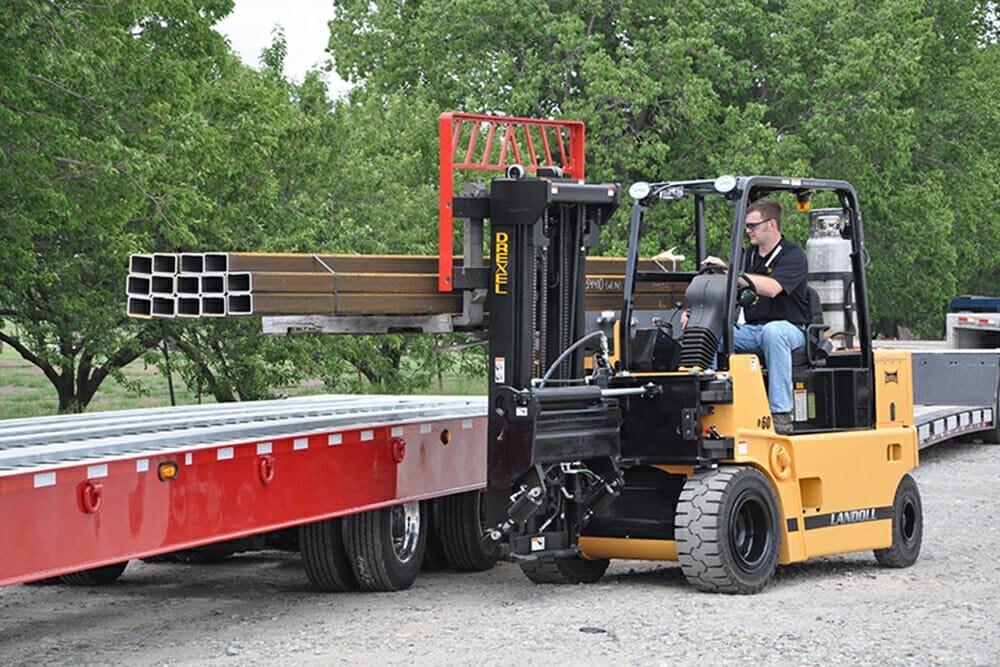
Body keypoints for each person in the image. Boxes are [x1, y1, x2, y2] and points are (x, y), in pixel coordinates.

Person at [701, 199, 810, 434]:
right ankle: (709, 401)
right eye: (746, 226)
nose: (748, 231)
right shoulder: (747, 256)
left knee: (774, 332)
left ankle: (780, 413)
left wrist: (731, 273)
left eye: (753, 226)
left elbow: (772, 288)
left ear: (771, 225)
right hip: (754, 329)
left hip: (792, 330)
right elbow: (732, 284)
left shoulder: (793, 256)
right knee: (711, 332)